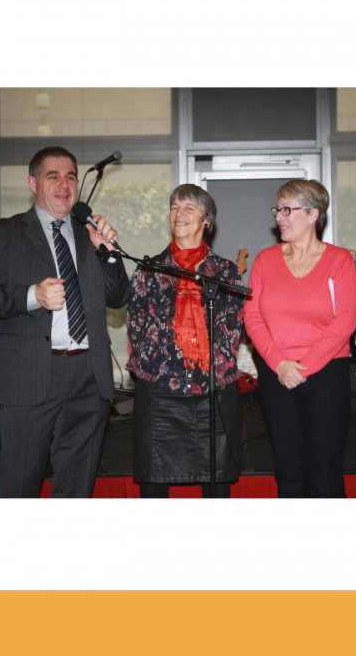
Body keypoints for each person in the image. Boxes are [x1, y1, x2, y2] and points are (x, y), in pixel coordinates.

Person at [0, 146, 130, 498]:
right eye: (52, 175)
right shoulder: (4, 233)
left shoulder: (88, 234)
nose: (64, 183)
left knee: (76, 486)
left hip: (88, 375)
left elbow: (118, 297)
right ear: (32, 183)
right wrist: (33, 296)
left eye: (70, 176)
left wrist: (109, 255)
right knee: (19, 485)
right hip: (30, 374)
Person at [126, 184, 244, 498]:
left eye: (189, 207)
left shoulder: (226, 272)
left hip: (213, 392)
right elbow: (136, 326)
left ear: (207, 220)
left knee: (216, 486)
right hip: (160, 392)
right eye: (175, 207)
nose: (179, 214)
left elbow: (233, 328)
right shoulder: (149, 269)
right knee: (153, 487)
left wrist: (214, 365)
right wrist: (154, 366)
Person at [244, 180, 356, 497]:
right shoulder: (265, 260)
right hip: (276, 373)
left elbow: (345, 320)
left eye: (286, 210)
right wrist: (280, 363)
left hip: (326, 374)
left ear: (313, 214)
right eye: (277, 210)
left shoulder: (340, 260)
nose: (279, 217)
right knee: (288, 467)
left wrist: (303, 368)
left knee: (325, 469)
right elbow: (252, 317)